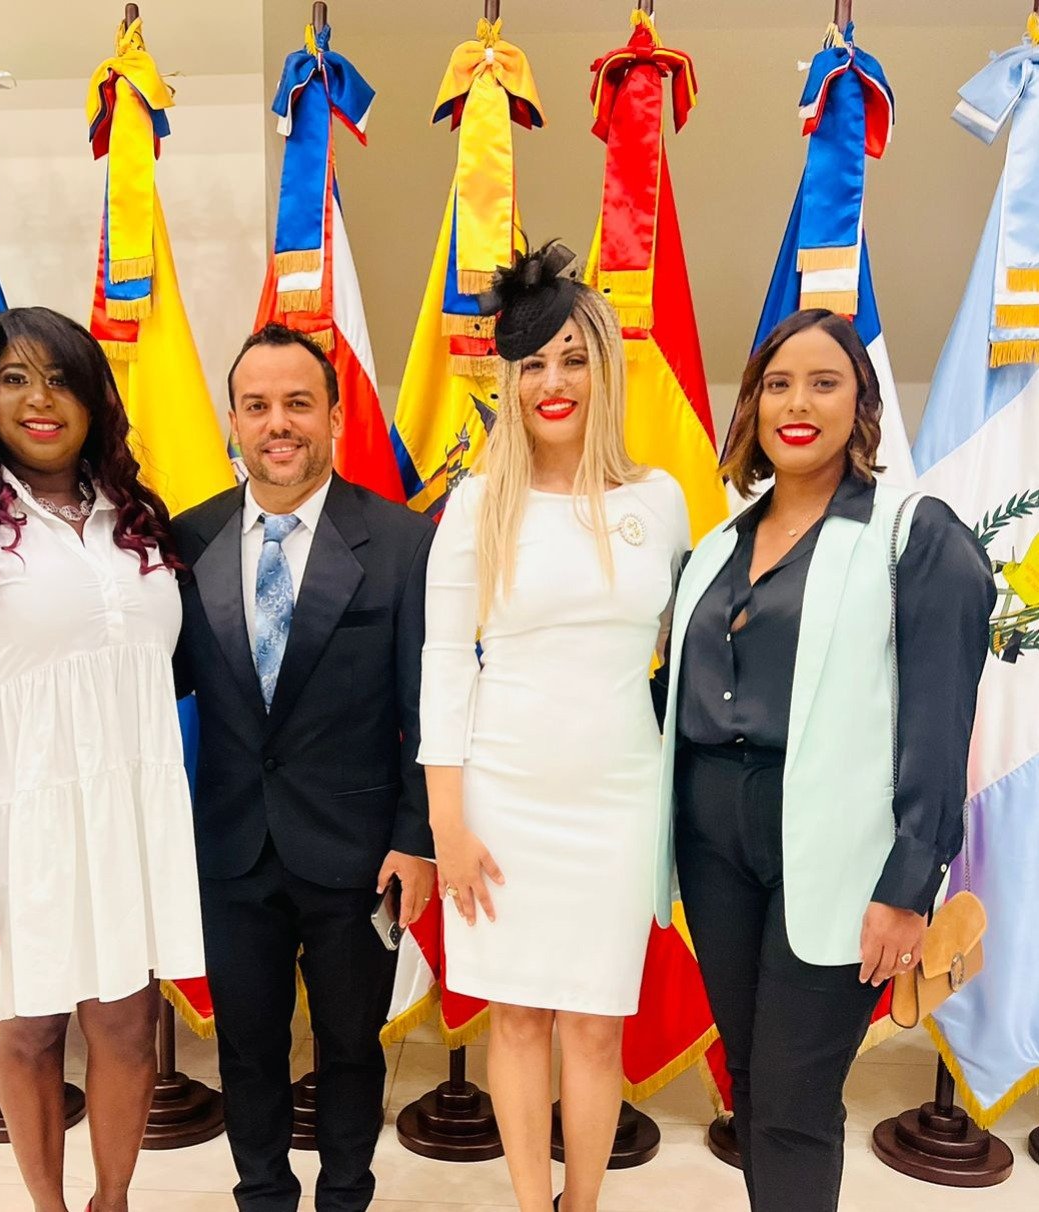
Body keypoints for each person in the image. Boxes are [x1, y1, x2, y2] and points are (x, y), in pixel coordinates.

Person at [652, 308, 996, 1212]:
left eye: (822, 383)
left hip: (840, 855)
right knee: (750, 1086)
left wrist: (907, 885)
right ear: (752, 406)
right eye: (777, 385)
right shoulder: (716, 546)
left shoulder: (913, 534)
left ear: (861, 404)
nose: (796, 403)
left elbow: (939, 721)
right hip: (714, 845)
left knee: (795, 1103)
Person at [0, 307, 204, 1212]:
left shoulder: (135, 520)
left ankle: (112, 1200)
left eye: (59, 379)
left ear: (94, 398)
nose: (40, 400)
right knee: (29, 1026)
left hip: (124, 811)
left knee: (130, 1022)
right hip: (13, 820)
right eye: (14, 379)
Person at [419, 242, 690, 1212]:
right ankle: (533, 1203)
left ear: (605, 368)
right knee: (519, 1016)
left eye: (573, 359)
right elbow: (443, 665)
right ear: (509, 379)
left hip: (619, 799)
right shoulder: (474, 506)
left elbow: (685, 657)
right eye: (532, 363)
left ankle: (584, 1203)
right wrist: (446, 824)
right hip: (502, 799)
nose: (553, 383)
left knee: (594, 1023)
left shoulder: (659, 502)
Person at [172, 322, 435, 1212]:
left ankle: (346, 1195)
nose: (277, 423)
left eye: (297, 403)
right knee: (246, 1047)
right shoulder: (187, 539)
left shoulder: (400, 542)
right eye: (256, 406)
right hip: (231, 847)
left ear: (334, 417)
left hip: (359, 851)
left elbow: (425, 710)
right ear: (233, 422)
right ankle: (262, 1196)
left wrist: (416, 838)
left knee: (351, 1046)